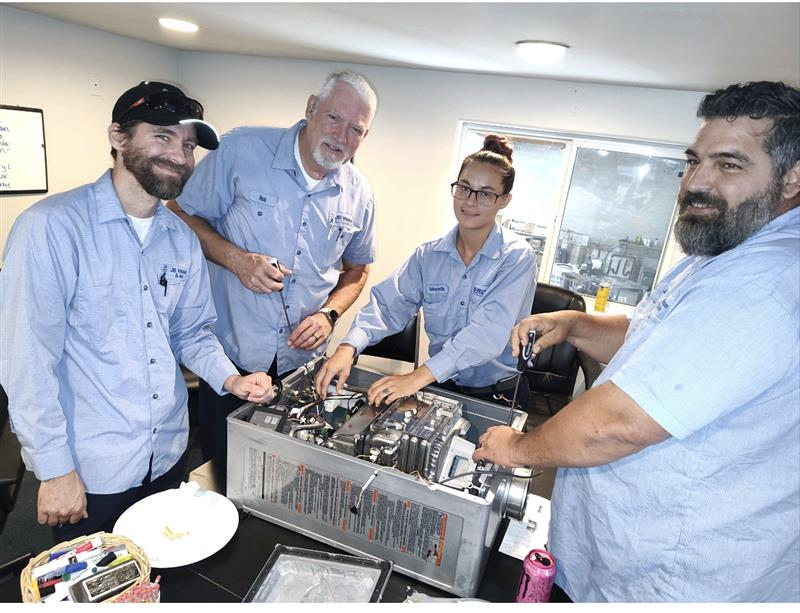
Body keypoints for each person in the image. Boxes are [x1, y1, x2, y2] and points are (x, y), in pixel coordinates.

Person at [474, 81, 800, 602]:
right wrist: (578, 326)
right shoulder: (720, 256)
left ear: (792, 177)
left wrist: (518, 447)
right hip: (624, 561)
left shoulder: (763, 280)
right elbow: (655, 339)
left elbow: (617, 424)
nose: (697, 182)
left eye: (730, 165)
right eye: (694, 161)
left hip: (677, 578)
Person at [0, 81, 275, 542]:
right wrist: (54, 470)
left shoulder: (182, 238)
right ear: (118, 137)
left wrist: (230, 378)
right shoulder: (50, 228)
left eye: (188, 145)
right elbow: (27, 363)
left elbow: (191, 332)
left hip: (168, 454)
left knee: (158, 586)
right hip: (91, 472)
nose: (180, 156)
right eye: (162, 137)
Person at [168, 70, 378, 463]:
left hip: (303, 368)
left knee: (289, 476)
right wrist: (236, 260)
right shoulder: (240, 150)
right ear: (312, 107)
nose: (342, 136)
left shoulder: (360, 193)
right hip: (231, 357)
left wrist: (330, 315)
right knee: (222, 469)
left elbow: (358, 271)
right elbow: (179, 213)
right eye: (334, 118)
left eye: (356, 129)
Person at [315, 135, 537, 409]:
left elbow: (487, 334)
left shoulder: (516, 257)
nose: (470, 201)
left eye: (486, 194)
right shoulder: (428, 256)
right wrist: (348, 347)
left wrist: (417, 377)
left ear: (504, 200)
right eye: (465, 188)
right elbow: (388, 307)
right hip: (442, 386)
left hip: (497, 395)